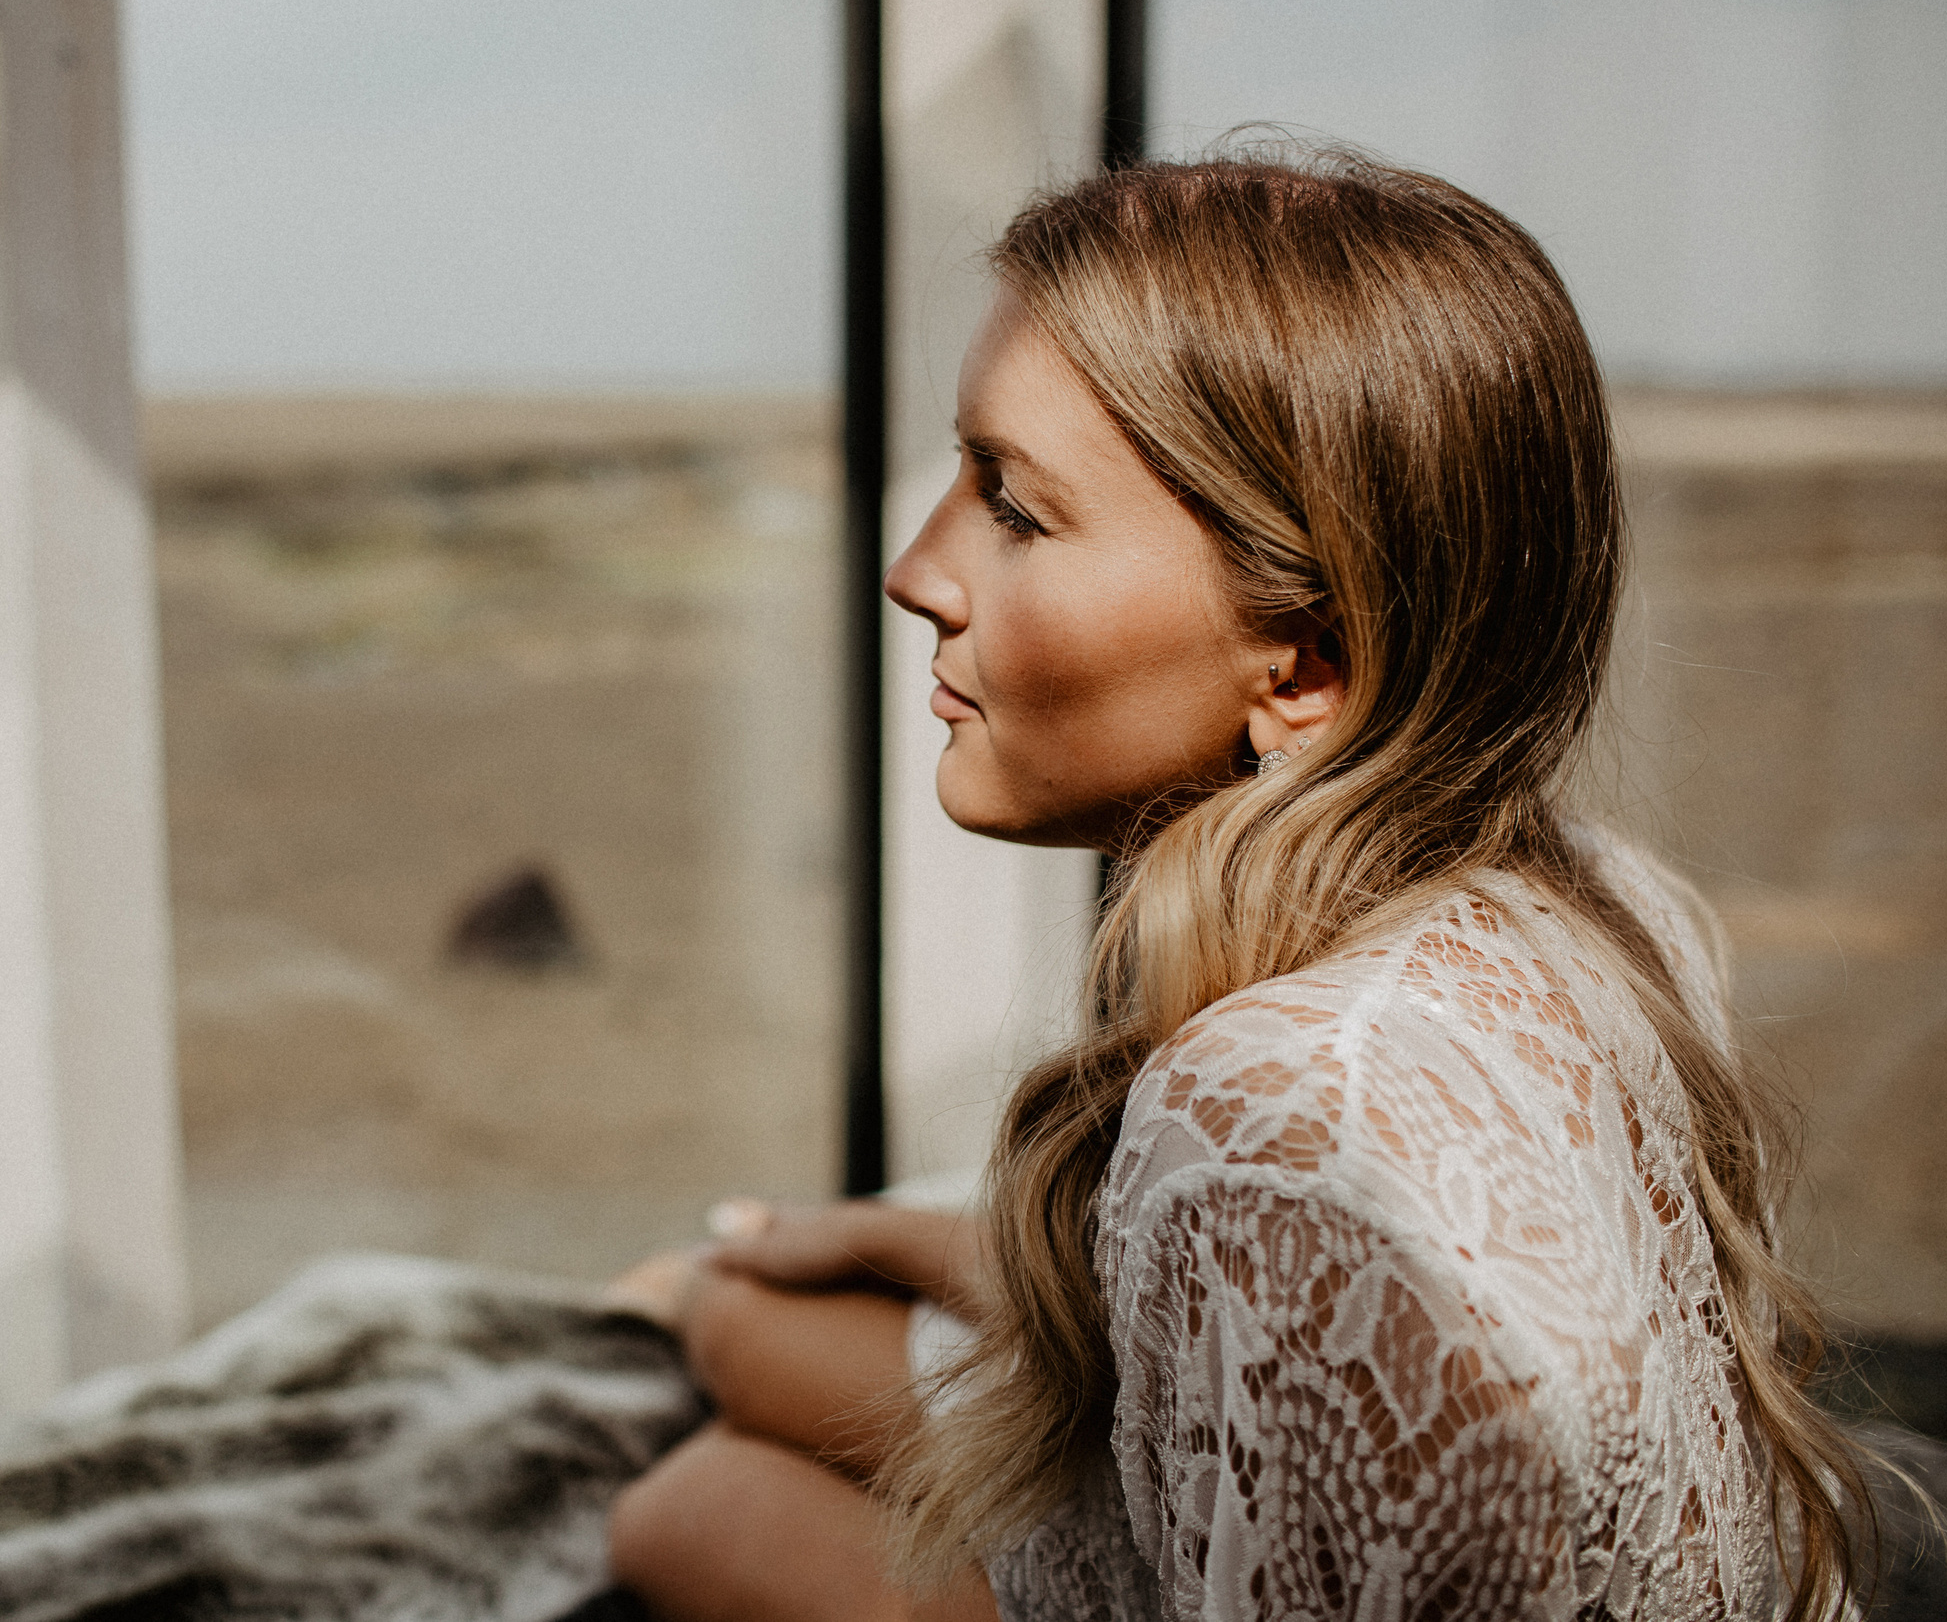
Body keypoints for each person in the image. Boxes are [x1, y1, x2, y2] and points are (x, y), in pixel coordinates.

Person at [600, 145, 1878, 1622]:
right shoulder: (1601, 897)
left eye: (1014, 507)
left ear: (1310, 661)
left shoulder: (1280, 1119)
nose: (913, 570)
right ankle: (703, 1286)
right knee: (744, 1316)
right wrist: (885, 1238)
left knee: (690, 1505)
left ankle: (690, 1295)